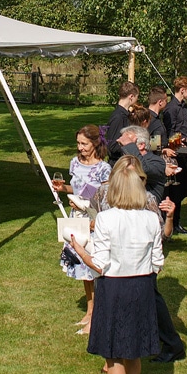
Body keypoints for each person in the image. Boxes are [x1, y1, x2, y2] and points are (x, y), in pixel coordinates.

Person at [69, 156, 165, 374]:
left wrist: (78, 248)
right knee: (134, 350)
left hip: (115, 289)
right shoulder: (150, 218)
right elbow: (157, 262)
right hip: (143, 287)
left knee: (113, 357)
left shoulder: (106, 219)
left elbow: (99, 264)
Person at [89, 150, 185, 364]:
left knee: (150, 300)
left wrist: (169, 218)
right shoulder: (103, 193)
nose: (129, 182)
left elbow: (163, 236)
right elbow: (92, 214)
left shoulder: (147, 199)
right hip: (111, 261)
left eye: (134, 178)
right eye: (124, 176)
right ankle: (120, 352)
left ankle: (166, 343)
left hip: (138, 263)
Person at [52, 125, 111, 335]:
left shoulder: (104, 169)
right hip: (76, 220)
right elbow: (74, 189)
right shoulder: (74, 164)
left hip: (94, 221)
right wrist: (63, 189)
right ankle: (90, 310)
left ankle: (96, 315)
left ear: (95, 143)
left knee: (94, 267)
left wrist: (85, 205)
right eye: (78, 143)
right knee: (82, 269)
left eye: (84, 144)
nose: (80, 147)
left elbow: (106, 200)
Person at [162, 76, 187, 233]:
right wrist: (184, 138)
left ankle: (177, 220)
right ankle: (173, 222)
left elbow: (185, 128)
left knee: (185, 186)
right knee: (176, 188)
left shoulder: (184, 107)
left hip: (184, 150)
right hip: (174, 151)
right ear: (182, 90)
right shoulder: (171, 108)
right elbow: (169, 133)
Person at [105, 81, 140, 163]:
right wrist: (133, 146)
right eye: (136, 97)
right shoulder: (118, 117)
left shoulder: (125, 115)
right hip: (118, 164)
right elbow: (112, 146)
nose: (137, 100)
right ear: (131, 96)